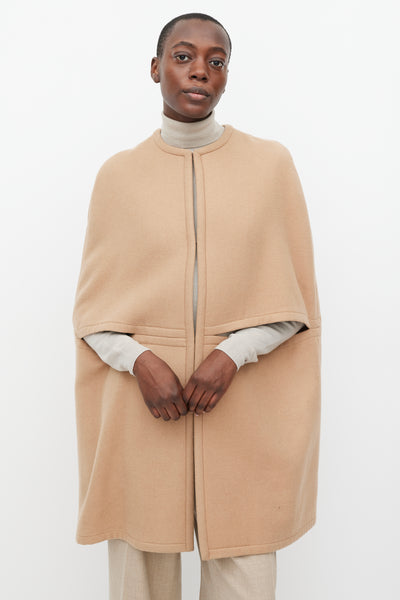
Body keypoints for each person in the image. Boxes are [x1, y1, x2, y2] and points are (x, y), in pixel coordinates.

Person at [72, 12, 322, 600]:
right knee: (139, 573)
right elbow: (91, 312)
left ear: (227, 76)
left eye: (217, 60)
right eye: (183, 56)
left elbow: (295, 300)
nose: (200, 71)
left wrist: (231, 354)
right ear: (155, 68)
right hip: (141, 406)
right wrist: (140, 361)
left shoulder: (270, 165)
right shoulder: (119, 175)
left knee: (246, 569)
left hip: (244, 406)